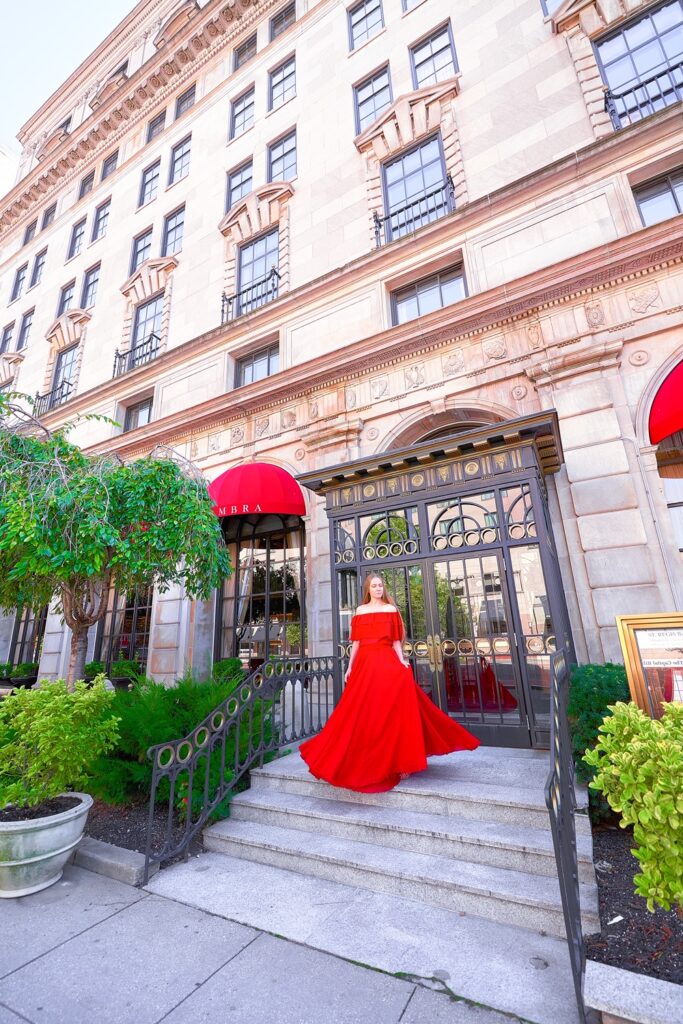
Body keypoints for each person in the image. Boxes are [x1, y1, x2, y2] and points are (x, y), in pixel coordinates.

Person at [299, 574, 480, 793]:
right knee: (364, 712)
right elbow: (356, 642)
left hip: (385, 662)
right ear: (368, 589)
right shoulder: (360, 611)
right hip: (365, 664)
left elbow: (395, 641)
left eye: (380, 586)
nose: (377, 589)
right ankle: (364, 756)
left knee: (392, 710)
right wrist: (350, 666)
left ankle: (402, 761)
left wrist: (402, 660)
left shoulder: (390, 610)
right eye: (374, 586)